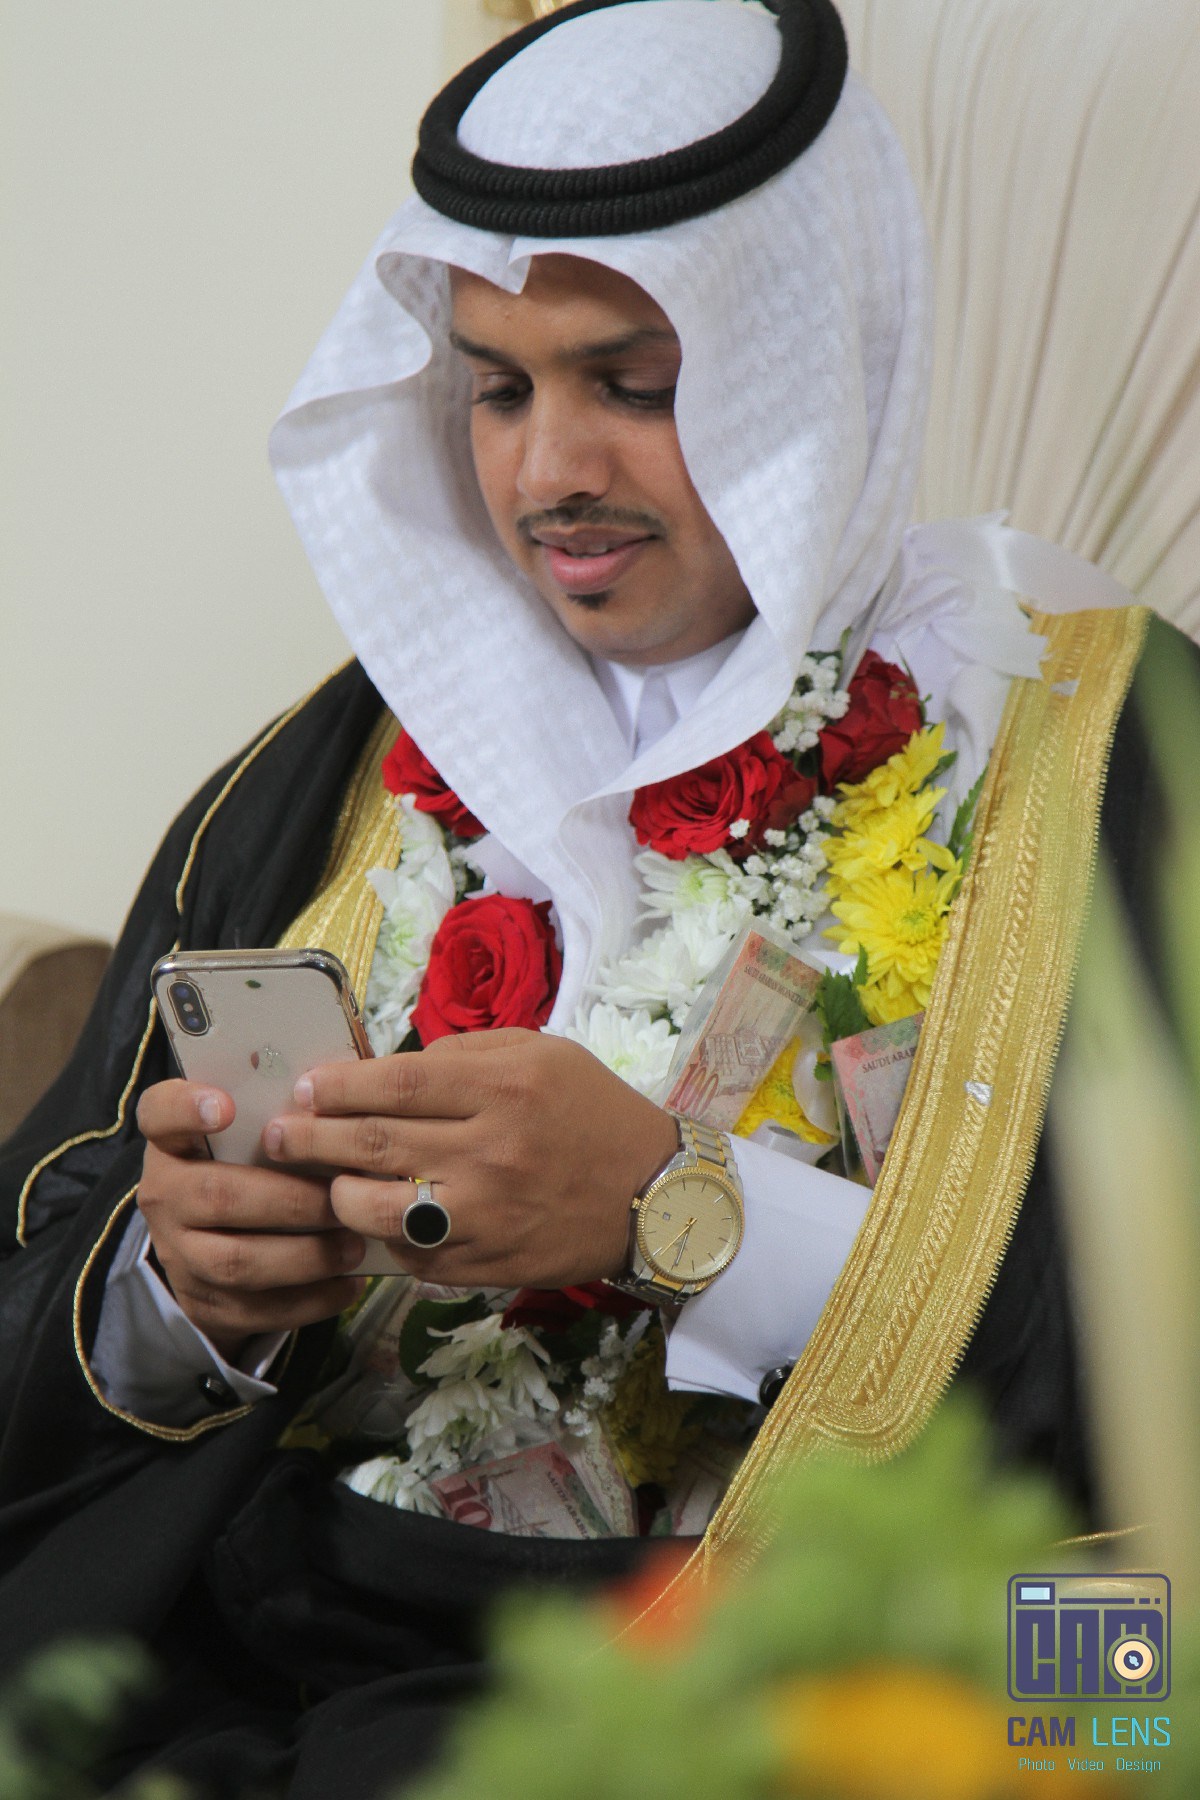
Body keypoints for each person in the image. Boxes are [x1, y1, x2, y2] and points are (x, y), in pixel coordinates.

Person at [0, 1, 1184, 1793]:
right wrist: (181, 1294)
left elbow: (1153, 1379)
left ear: (811, 363)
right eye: (498, 388)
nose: (549, 474)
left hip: (769, 1668)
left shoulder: (1095, 754)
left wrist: (679, 1211)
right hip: (258, 1616)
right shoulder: (341, 761)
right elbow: (52, 1240)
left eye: (633, 384)